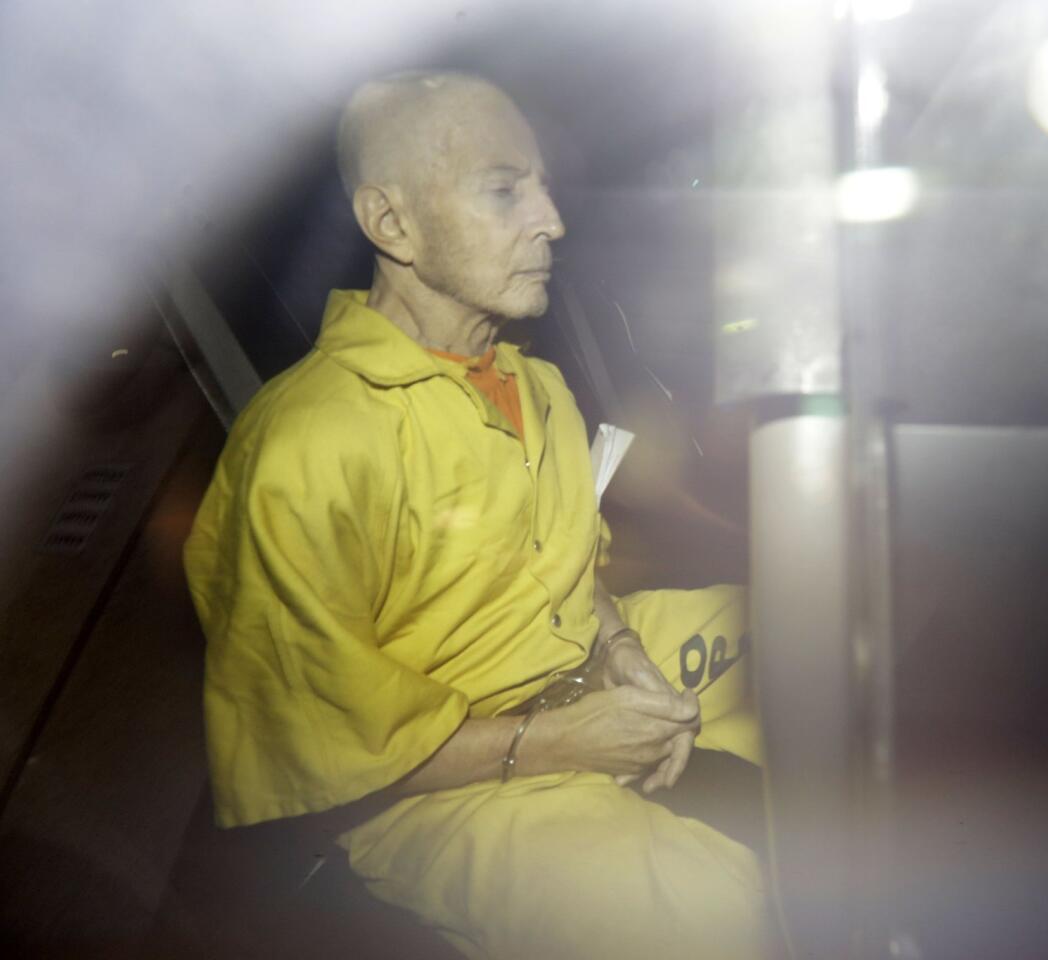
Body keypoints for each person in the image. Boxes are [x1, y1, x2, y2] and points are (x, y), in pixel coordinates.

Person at [183, 72, 776, 960]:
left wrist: (623, 657)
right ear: (392, 224)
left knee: (814, 626)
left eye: (541, 186)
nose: (552, 221)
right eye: (505, 191)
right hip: (438, 788)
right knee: (707, 920)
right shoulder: (305, 448)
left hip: (577, 676)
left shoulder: (535, 386)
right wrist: (572, 740)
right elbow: (331, 759)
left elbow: (575, 583)